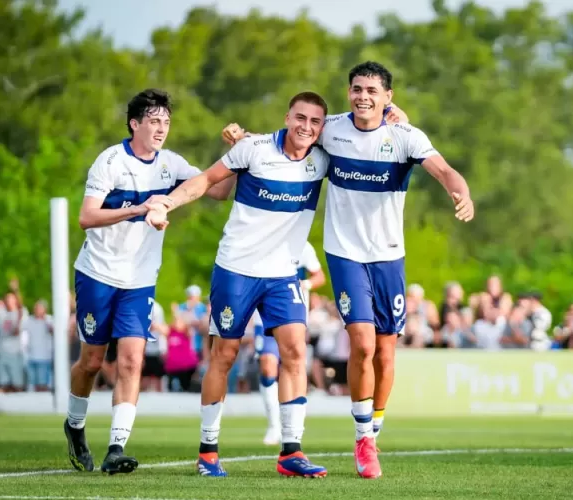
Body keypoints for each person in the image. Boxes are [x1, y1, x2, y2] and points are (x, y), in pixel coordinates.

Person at [222, 61, 474, 479]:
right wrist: (241, 137)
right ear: (349, 92)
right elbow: (289, 140)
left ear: (388, 97)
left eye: (372, 91)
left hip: (388, 256)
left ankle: (375, 427)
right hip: (344, 253)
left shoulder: (405, 136)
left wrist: (460, 193)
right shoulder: (332, 129)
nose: (363, 97)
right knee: (362, 344)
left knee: (386, 353)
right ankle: (363, 439)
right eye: (357, 89)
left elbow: (445, 171)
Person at [145, 91, 331, 478]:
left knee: (295, 351)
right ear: (287, 117)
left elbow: (364, 135)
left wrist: (393, 114)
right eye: (300, 118)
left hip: (283, 274)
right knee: (224, 356)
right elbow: (206, 180)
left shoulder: (323, 157)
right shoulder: (253, 149)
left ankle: (291, 451)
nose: (306, 127)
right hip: (236, 269)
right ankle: (208, 452)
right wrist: (166, 203)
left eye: (315, 121)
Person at [63, 89, 233, 475]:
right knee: (91, 362)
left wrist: (236, 155)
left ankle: (116, 448)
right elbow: (87, 217)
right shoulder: (110, 161)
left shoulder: (171, 164)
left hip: (139, 281)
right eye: (154, 121)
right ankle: (74, 425)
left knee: (131, 359)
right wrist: (140, 209)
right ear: (134, 124)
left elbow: (219, 191)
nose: (161, 128)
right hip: (97, 274)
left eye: (166, 122)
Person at [256, 241, 326, 446]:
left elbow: (319, 276)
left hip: (294, 315)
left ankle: (293, 430)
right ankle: (273, 425)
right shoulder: (262, 240)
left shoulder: (303, 245)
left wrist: (306, 284)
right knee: (267, 366)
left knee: (293, 366)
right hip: (264, 313)